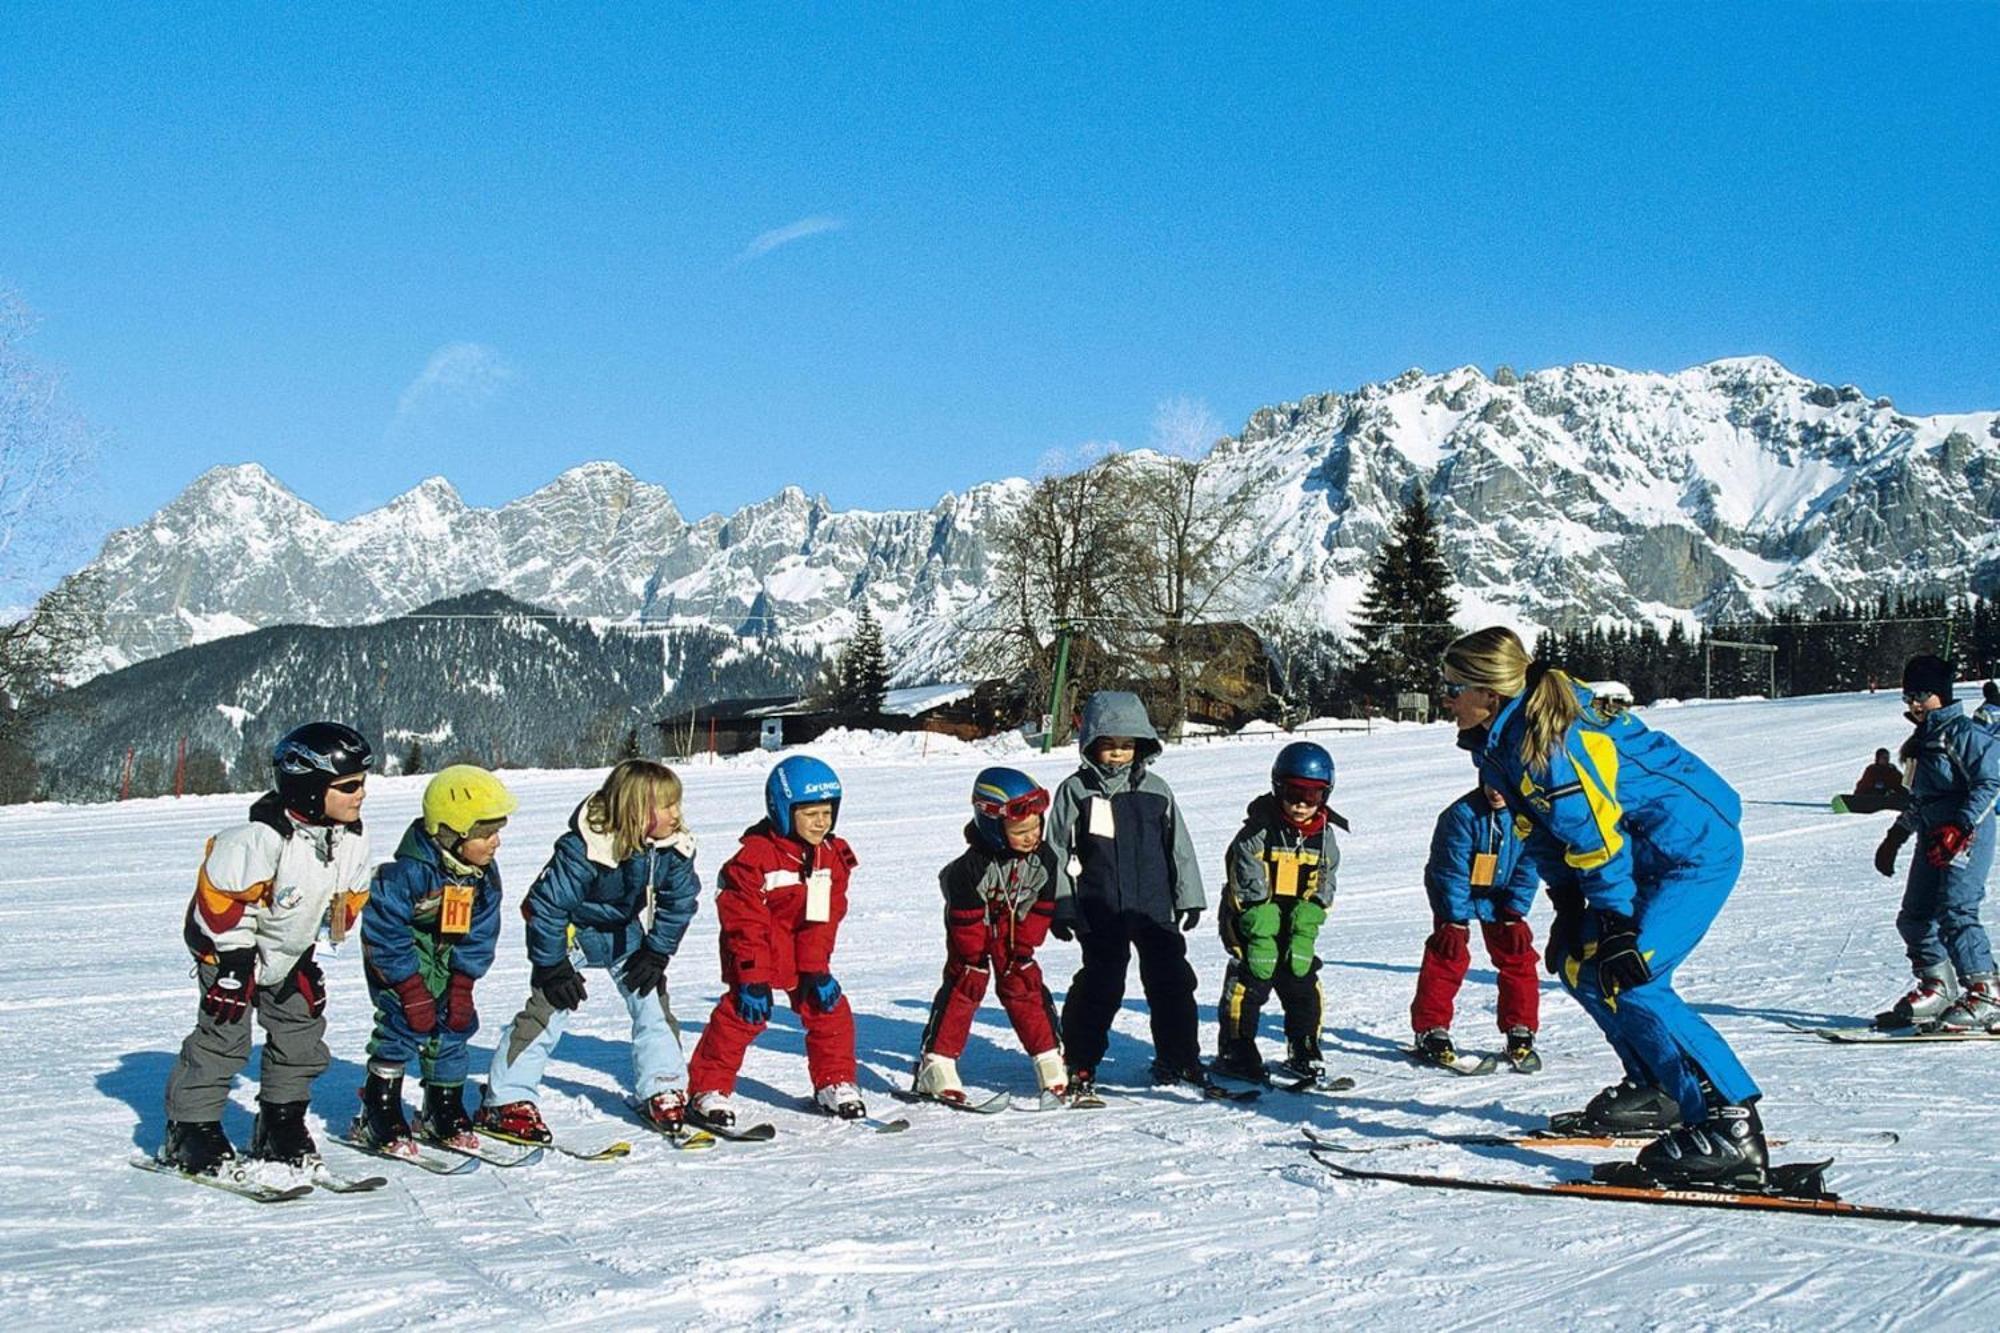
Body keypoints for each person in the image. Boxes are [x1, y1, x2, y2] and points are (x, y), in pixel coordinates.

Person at [1441, 627, 1766, 1188]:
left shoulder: (1554, 742)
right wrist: (1568, 905)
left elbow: (1596, 837)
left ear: (1487, 693)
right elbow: (1541, 830)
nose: (1444, 698)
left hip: (1694, 851)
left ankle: (1730, 1124)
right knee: (1580, 965)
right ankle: (1658, 1086)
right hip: (1641, 854)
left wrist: (1614, 920)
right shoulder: (1498, 746)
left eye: (1452, 687)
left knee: (1634, 976)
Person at [159, 722, 375, 1177]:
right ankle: (191, 1129)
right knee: (225, 1036)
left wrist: (309, 955)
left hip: (288, 953)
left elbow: (345, 901)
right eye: (349, 785)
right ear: (311, 787)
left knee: (301, 1034)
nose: (360, 794)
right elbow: (219, 901)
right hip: (229, 953)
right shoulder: (262, 840)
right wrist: (235, 966)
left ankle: (280, 1124)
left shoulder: (351, 840)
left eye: (363, 783)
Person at [478, 760, 699, 1143]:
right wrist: (552, 967)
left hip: (622, 932)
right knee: (549, 1009)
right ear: (635, 811)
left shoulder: (671, 849)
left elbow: (680, 900)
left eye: (677, 804)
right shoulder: (583, 847)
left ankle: (662, 1085)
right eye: (667, 806)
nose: (677, 815)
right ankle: (507, 1098)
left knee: (651, 1001)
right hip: (571, 931)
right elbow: (546, 907)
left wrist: (657, 951)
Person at [686, 755, 865, 1124]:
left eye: (827, 812)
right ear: (783, 810)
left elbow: (824, 917)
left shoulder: (832, 856)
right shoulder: (754, 858)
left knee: (830, 1010)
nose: (821, 822)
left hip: (803, 948)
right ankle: (708, 1087)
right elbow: (743, 921)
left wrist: (816, 969)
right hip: (757, 946)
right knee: (744, 1013)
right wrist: (752, 974)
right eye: (810, 813)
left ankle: (835, 1082)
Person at [1045, 691, 1206, 1098]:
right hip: (1100, 907)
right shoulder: (1075, 791)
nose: (1119, 754)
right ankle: (1080, 1060)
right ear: (1091, 745)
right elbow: (1056, 851)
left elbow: (1179, 846)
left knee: (1172, 982)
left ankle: (1179, 1056)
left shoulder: (1157, 790)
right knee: (1101, 984)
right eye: (1110, 745)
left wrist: (1189, 895)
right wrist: (1062, 904)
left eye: (1128, 745)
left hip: (1154, 906)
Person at [352, 765, 516, 1153]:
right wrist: (408, 986)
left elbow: (481, 933)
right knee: (403, 1023)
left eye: (498, 831)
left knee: (454, 1027)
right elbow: (383, 931)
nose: (496, 843)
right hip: (401, 962)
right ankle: (379, 1109)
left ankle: (442, 1108)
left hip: (448, 960)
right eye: (486, 833)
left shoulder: (481, 877)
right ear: (453, 833)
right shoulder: (406, 873)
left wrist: (463, 983)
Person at [913, 768, 1067, 1102]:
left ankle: (1050, 1058)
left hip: (1013, 927)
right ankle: (936, 1062)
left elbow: (1040, 905)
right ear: (993, 826)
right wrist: (972, 953)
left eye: (1036, 826)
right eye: (1020, 830)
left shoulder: (1044, 859)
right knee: (968, 981)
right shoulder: (969, 869)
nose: (1032, 836)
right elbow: (965, 920)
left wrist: (1024, 945)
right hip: (973, 927)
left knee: (1022, 980)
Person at [1871, 655, 2000, 1032]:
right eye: (1909, 696)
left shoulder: (1963, 734)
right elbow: (1920, 797)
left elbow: (1990, 783)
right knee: (1914, 914)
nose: (1914, 704)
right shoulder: (1922, 740)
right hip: (1933, 835)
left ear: (1941, 695)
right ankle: (1938, 985)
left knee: (1956, 910)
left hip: (1966, 833)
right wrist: (1896, 835)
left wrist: (1960, 827)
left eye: (1922, 695)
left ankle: (1986, 991)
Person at [1214, 741, 1342, 1084]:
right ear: (1277, 787)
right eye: (1293, 792)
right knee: (1251, 978)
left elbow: (1325, 881)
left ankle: (1303, 1045)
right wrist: (1259, 924)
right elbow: (1244, 881)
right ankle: (1236, 1047)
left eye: (1312, 795)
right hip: (1250, 920)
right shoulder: (1256, 832)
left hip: (1294, 922)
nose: (1301, 804)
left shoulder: (1324, 837)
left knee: (1301, 979)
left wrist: (1309, 920)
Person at [1410, 783, 1541, 1069]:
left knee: (1517, 954)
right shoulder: (1460, 815)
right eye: (1489, 784)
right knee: (1448, 954)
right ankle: (1430, 1029)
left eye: (1502, 785)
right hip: (1455, 891)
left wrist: (1515, 910)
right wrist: (1454, 919)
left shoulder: (1529, 815)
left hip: (1502, 893)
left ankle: (1520, 1027)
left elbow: (1530, 864)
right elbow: (1450, 869)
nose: (1495, 791)